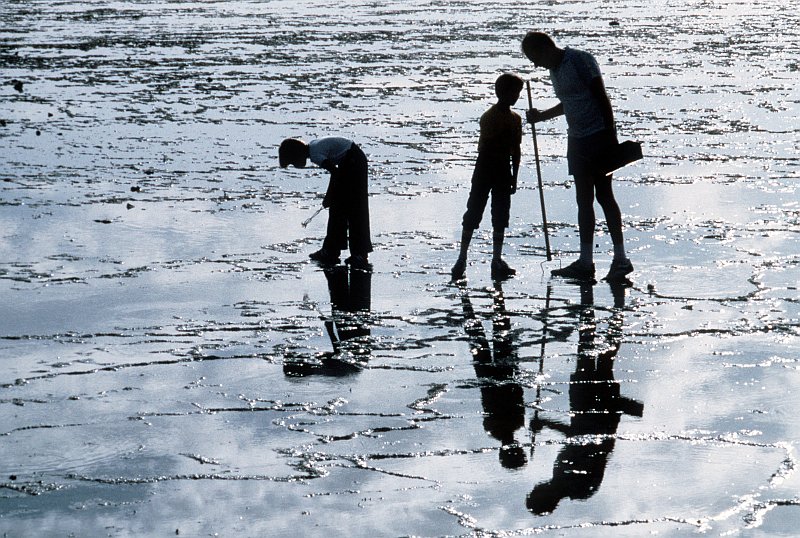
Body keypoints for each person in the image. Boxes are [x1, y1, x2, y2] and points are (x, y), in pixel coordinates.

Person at [522, 32, 633, 282]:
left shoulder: (581, 60)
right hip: (577, 139)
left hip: (599, 135)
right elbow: (569, 102)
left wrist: (609, 136)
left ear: (546, 48)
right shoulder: (554, 71)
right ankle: (585, 262)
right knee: (583, 200)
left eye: (535, 57)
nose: (535, 65)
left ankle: (621, 259)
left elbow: (600, 96)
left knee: (604, 196)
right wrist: (541, 117)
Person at [451, 73, 524, 281]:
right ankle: (462, 257)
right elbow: (491, 145)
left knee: (500, 214)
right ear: (502, 93)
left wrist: (514, 176)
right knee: (474, 210)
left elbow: (516, 150)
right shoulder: (489, 117)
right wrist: (506, 139)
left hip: (503, 169)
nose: (516, 96)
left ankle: (497, 259)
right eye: (514, 92)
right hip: (485, 166)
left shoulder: (515, 119)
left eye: (518, 93)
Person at [279, 136, 372, 270]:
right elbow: (337, 174)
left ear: (296, 154)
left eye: (292, 162)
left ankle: (354, 253)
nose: (295, 166)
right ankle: (334, 250)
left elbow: (336, 173)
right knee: (340, 209)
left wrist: (329, 197)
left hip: (353, 161)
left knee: (354, 210)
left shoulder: (315, 154)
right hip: (352, 160)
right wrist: (331, 196)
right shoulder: (313, 147)